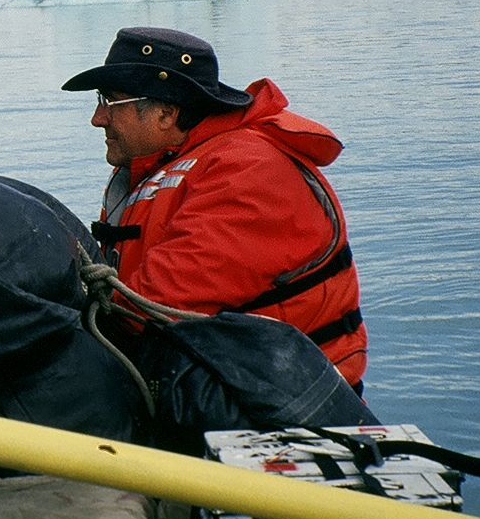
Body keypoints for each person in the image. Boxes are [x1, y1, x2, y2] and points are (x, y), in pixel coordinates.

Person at [61, 26, 367, 390]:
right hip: (199, 379)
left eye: (110, 102)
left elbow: (146, 309)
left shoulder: (249, 172)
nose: (98, 118)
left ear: (166, 113)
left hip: (276, 401)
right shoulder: (157, 166)